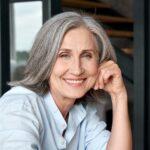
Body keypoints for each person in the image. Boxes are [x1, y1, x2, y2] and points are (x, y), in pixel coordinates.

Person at [0, 12, 132, 150]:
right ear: (45, 60)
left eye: (87, 55)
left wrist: (119, 96)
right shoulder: (19, 106)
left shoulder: (83, 113)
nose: (77, 69)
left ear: (100, 63)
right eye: (64, 55)